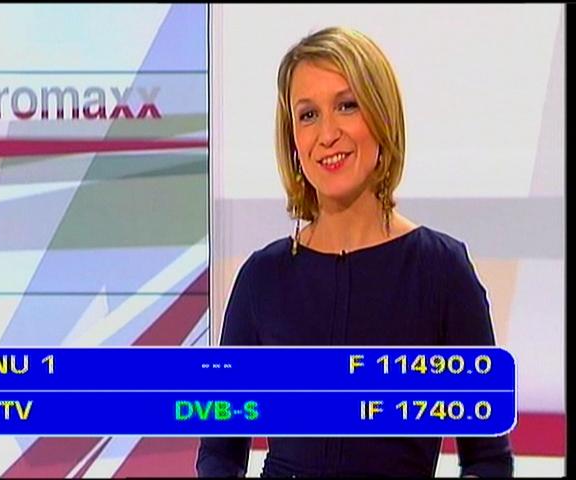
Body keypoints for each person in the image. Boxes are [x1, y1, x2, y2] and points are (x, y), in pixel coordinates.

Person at [197, 26, 514, 477]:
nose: (327, 134)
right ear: (292, 140)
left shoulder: (442, 270)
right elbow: (219, 450)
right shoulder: (262, 278)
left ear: (382, 117)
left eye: (347, 106)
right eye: (308, 115)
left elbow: (487, 457)